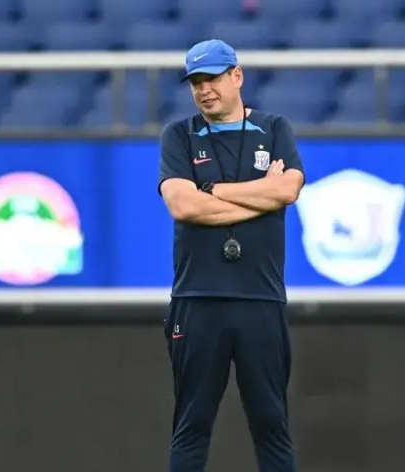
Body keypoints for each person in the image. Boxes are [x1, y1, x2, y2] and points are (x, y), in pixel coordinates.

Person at [157, 39, 304, 472]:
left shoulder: (274, 129)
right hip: (197, 301)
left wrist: (212, 190)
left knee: (272, 425)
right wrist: (261, 198)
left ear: (237, 76)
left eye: (213, 79)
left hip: (260, 299)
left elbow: (287, 190)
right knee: (191, 426)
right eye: (196, 82)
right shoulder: (179, 135)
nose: (204, 90)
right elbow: (183, 205)